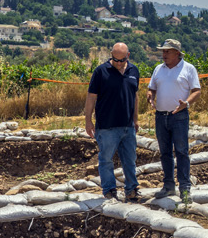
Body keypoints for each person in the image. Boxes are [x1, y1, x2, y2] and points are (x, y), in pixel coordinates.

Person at [83, 42, 140, 201]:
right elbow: (91, 97)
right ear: (111, 55)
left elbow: (135, 96)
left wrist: (135, 119)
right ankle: (109, 190)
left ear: (128, 56)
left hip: (127, 126)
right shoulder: (101, 72)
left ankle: (131, 189)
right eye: (115, 59)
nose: (118, 63)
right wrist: (88, 121)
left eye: (121, 60)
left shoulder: (134, 71)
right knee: (106, 160)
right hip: (107, 127)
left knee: (130, 159)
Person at [147, 38, 200, 203]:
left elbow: (196, 90)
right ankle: (168, 186)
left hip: (179, 116)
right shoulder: (158, 69)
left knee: (182, 152)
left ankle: (185, 189)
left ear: (177, 53)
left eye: (167, 51)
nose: (164, 54)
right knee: (165, 153)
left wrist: (187, 103)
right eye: (163, 51)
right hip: (161, 116)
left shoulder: (188, 68)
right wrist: (150, 96)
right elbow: (152, 88)